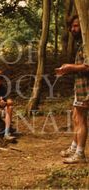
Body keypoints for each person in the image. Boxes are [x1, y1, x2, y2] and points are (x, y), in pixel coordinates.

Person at [55, 15, 89, 164]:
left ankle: (80, 154)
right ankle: (74, 147)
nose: (73, 29)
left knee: (81, 119)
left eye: (76, 26)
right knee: (76, 116)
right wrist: (67, 69)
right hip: (80, 87)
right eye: (72, 27)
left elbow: (88, 66)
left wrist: (69, 67)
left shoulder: (87, 43)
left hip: (86, 88)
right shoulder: (81, 43)